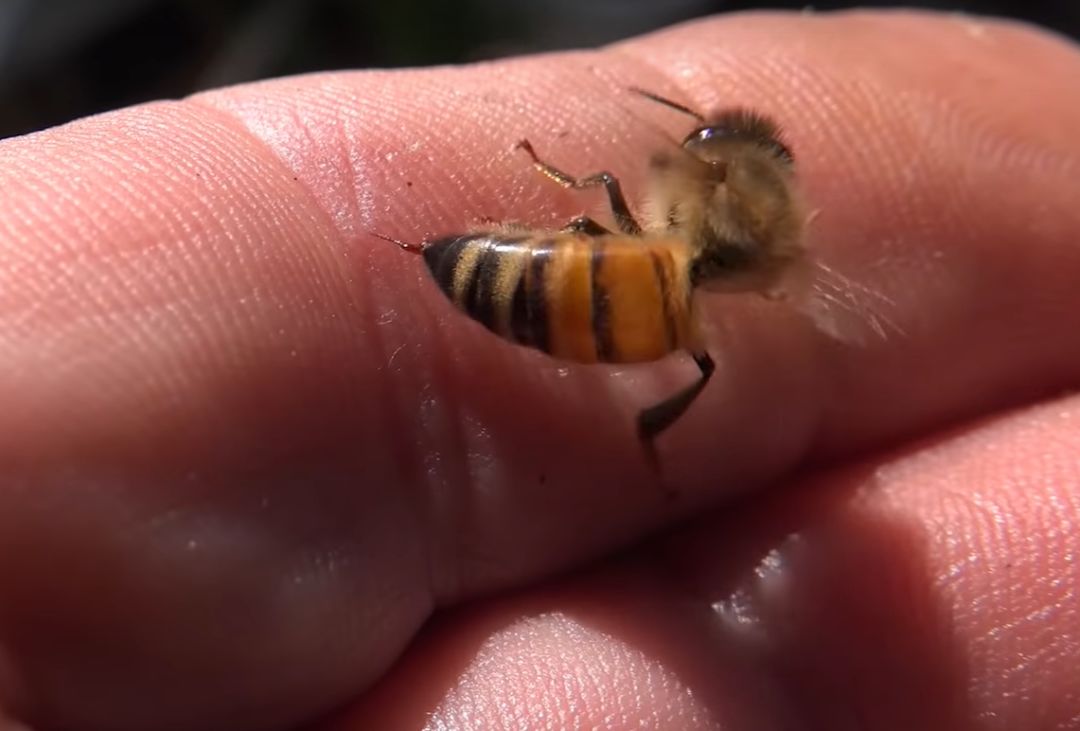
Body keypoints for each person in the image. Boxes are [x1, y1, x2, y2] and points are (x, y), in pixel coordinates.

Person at [0, 10, 1077, 731]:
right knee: (630, 279)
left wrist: (564, 187)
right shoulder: (767, 251)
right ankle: (649, 437)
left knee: (598, 198)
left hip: (596, 290)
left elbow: (633, 174)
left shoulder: (687, 181)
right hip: (646, 326)